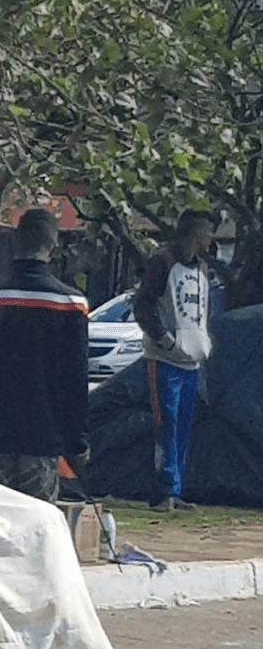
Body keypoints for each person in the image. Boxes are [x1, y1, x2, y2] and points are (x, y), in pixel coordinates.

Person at [0, 208, 89, 502]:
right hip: (41, 440)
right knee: (34, 531)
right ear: (53, 247)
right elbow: (74, 381)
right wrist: (76, 443)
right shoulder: (70, 303)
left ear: (15, 241)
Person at [134, 209, 217, 511]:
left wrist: (202, 342)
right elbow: (143, 304)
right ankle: (163, 491)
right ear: (195, 233)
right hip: (165, 359)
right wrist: (164, 339)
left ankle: (176, 489)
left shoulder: (203, 269)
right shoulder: (163, 262)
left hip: (192, 361)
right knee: (165, 423)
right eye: (207, 232)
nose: (211, 238)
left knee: (183, 425)